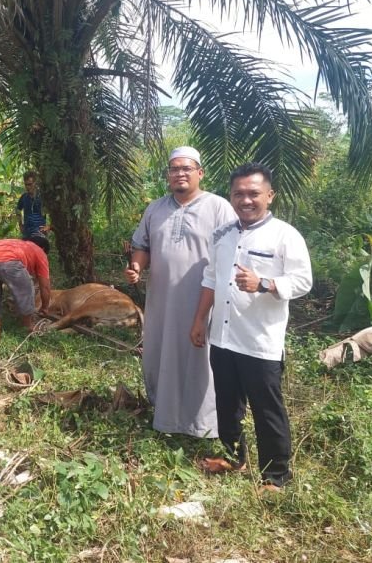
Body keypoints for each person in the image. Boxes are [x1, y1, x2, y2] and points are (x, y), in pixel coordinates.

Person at [190, 162, 312, 491]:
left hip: (260, 341)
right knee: (227, 403)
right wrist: (200, 319)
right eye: (238, 194)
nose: (246, 200)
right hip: (223, 337)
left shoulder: (285, 235)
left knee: (266, 408)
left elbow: (303, 281)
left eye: (254, 193)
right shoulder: (222, 235)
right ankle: (234, 458)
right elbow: (211, 278)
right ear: (230, 197)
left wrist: (265, 283)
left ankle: (276, 476)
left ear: (270, 196)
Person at [125, 147, 235, 437]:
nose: (180, 174)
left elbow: (232, 254)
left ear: (200, 173)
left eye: (186, 168)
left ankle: (201, 424)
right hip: (161, 300)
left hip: (202, 300)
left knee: (199, 359)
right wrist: (136, 266)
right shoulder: (155, 209)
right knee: (160, 352)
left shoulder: (219, 208)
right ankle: (165, 415)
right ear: (168, 175)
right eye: (174, 169)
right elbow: (142, 246)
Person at [0, 235, 52, 343]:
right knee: (26, 291)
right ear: (43, 249)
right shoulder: (40, 252)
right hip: (9, 260)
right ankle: (29, 328)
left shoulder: (19, 244)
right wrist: (45, 308)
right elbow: (45, 286)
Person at [16, 171, 49, 239]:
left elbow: (53, 211)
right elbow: (18, 210)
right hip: (27, 234)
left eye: (30, 184)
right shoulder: (24, 197)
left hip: (40, 233)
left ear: (35, 183)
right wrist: (20, 225)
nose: (28, 187)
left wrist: (49, 226)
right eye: (26, 185)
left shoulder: (42, 197)